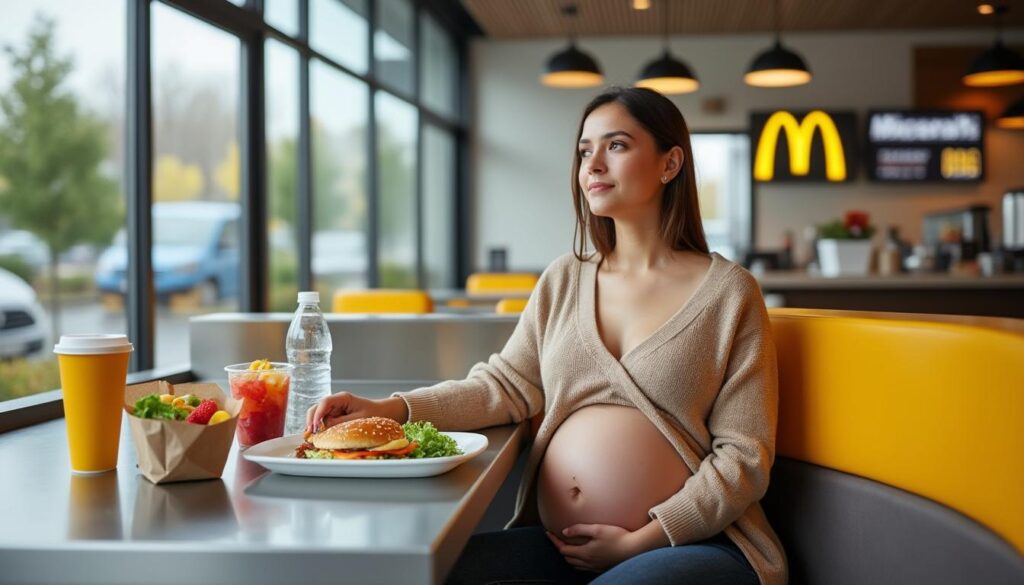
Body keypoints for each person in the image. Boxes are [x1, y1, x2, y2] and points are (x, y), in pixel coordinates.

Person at [307, 87, 786, 585]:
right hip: (560, 549)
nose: (593, 165)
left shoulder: (730, 293)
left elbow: (744, 457)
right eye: (584, 151)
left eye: (616, 146)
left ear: (670, 164)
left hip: (695, 545)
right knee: (422, 576)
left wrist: (640, 541)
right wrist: (391, 409)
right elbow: (503, 387)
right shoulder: (563, 280)